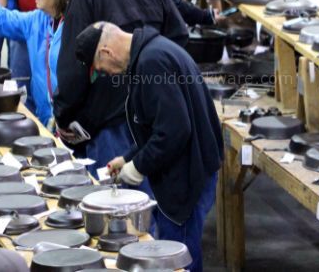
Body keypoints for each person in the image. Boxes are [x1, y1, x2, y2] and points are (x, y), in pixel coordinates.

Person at [77, 21, 223, 272]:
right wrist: (128, 158)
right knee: (174, 249)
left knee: (177, 258)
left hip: (186, 174)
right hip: (186, 167)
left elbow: (175, 131)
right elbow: (159, 125)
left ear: (106, 53)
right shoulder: (151, 52)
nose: (108, 74)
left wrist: (138, 166)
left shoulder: (151, 62)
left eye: (101, 69)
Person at [53, 0, 187, 175]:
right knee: (147, 199)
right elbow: (179, 34)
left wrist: (64, 115)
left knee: (113, 202)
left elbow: (74, 63)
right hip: (153, 112)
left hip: (109, 120)